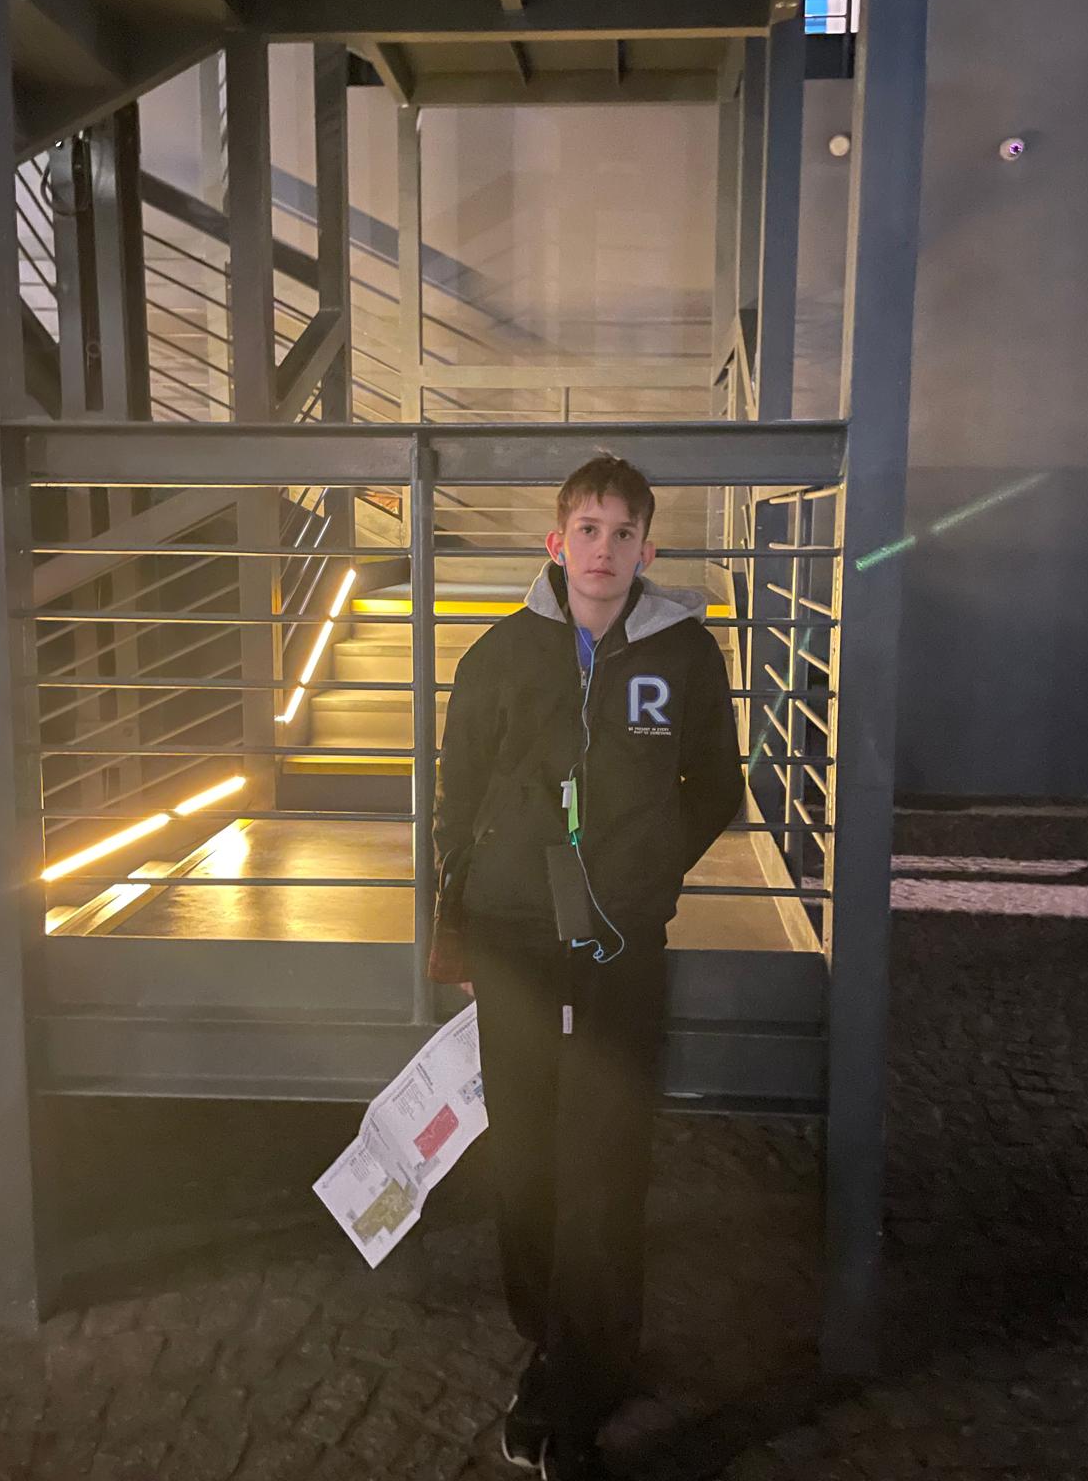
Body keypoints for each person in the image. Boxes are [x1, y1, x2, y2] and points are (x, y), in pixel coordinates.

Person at [431, 455, 743, 1480]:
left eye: (623, 532)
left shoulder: (685, 655)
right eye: (588, 529)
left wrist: (646, 873)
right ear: (555, 542)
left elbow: (716, 786)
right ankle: (549, 1336)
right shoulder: (499, 655)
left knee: (606, 1156)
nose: (604, 550)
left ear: (647, 548)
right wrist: (460, 927)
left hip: (619, 943)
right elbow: (458, 796)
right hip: (513, 937)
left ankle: (581, 1375)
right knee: (525, 1151)